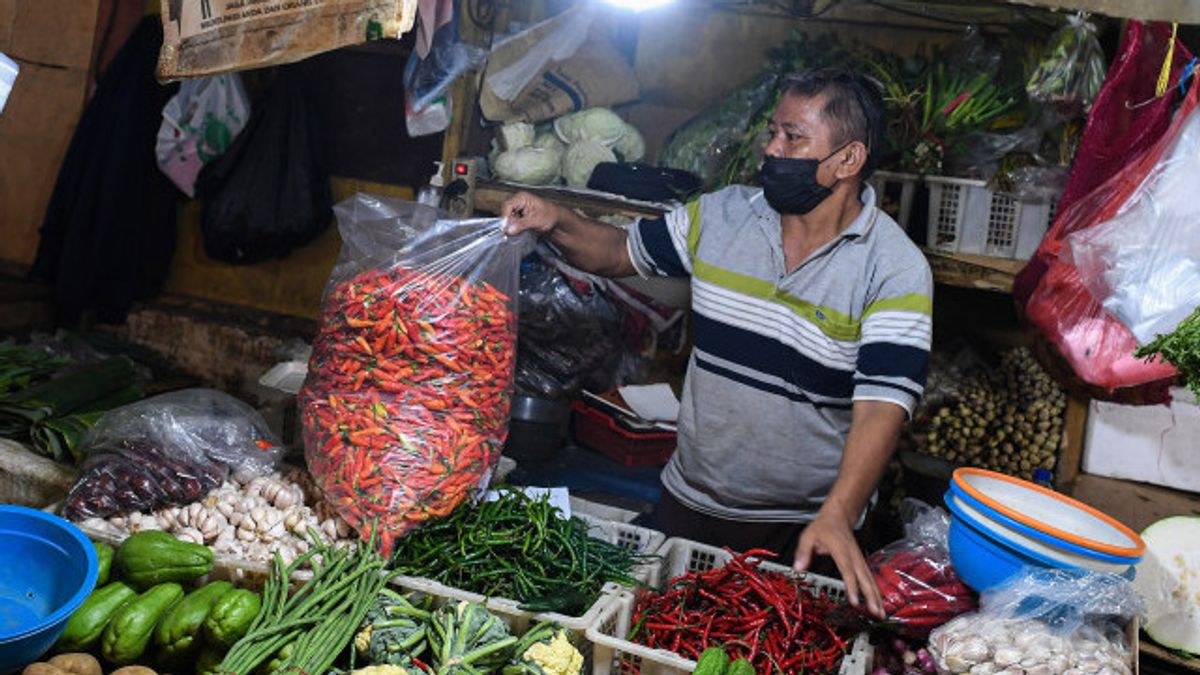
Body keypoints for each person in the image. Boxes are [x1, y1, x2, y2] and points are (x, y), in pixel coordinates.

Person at [501, 68, 932, 617]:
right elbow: (618, 251)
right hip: (690, 504)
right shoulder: (724, 215)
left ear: (848, 159)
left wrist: (839, 513)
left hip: (801, 531)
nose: (770, 150)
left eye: (793, 138)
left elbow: (881, 407)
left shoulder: (892, 267)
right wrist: (555, 217)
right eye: (772, 132)